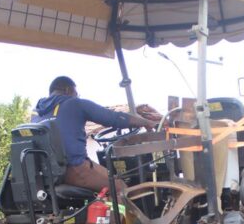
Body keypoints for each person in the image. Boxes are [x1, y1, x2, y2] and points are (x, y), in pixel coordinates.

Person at [32, 76, 160, 193]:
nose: (77, 96)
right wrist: (147, 123)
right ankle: (121, 211)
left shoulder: (36, 114)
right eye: (76, 93)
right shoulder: (74, 103)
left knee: (104, 188)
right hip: (75, 169)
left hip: (47, 175)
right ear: (68, 90)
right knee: (121, 188)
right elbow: (114, 118)